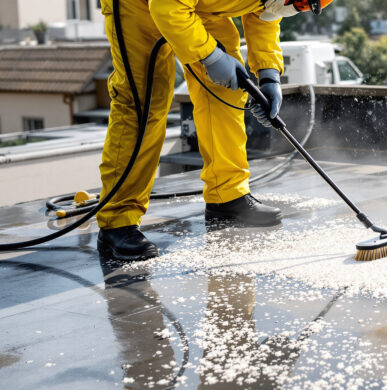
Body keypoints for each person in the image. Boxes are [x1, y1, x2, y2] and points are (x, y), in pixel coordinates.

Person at [96, 0, 333, 261]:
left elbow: (263, 12)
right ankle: (118, 221)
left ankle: (227, 196)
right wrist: (210, 56)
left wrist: (268, 74)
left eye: (301, 5)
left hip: (199, 5)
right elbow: (166, 7)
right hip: (141, 5)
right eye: (298, 2)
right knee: (144, 103)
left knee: (226, 91)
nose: (293, 6)